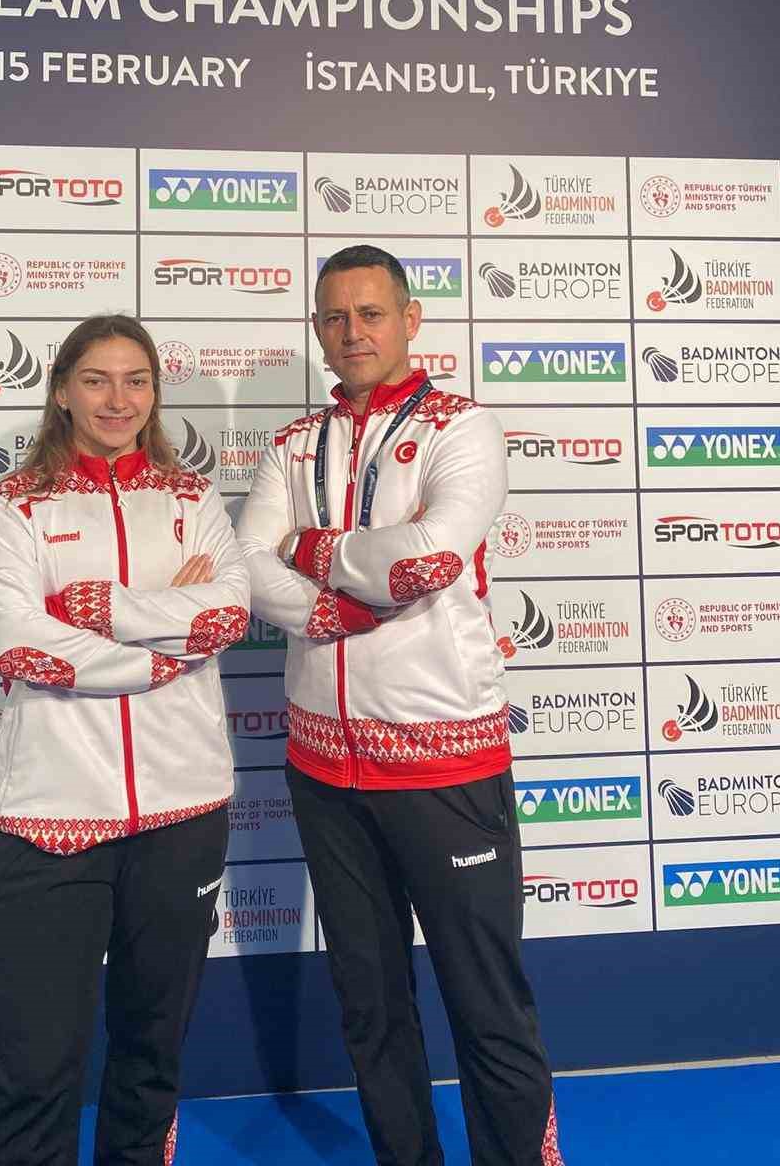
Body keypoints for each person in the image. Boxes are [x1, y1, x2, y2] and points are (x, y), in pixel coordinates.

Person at [236, 245, 564, 1166]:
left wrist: (309, 547)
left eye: (372, 313)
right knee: (370, 1004)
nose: (354, 332)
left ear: (410, 320)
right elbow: (244, 566)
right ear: (317, 330)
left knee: (485, 1000)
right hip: (323, 767)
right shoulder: (293, 443)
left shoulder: (464, 427)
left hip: (443, 759)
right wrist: (326, 605)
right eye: (336, 317)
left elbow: (428, 558)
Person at [0, 314, 250, 1166]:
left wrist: (98, 610)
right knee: (36, 1067)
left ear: (155, 393)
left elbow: (227, 615)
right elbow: (18, 642)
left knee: (151, 1053)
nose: (118, 399)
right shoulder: (15, 504)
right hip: (51, 812)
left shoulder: (192, 498)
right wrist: (164, 646)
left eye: (137, 381)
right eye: (96, 379)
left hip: (183, 809)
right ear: (62, 390)